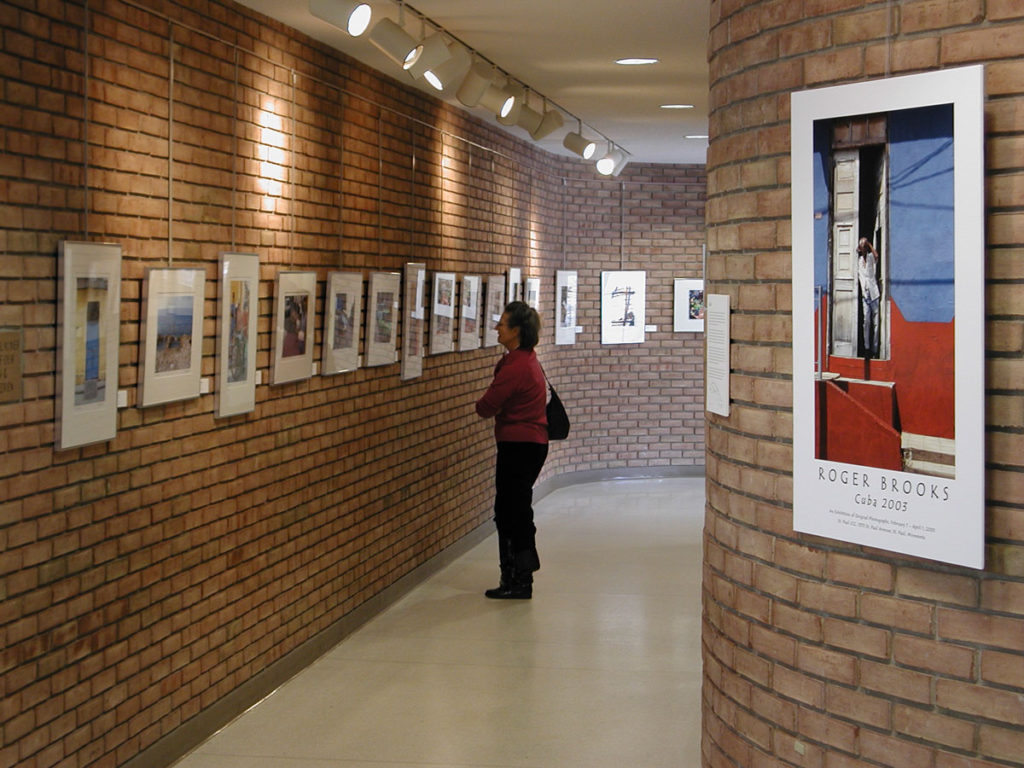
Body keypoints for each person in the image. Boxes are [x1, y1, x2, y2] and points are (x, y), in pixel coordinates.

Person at [475, 301, 548, 599]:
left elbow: (486, 407)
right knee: (512, 510)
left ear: (516, 331)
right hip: (528, 444)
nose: (496, 327)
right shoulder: (525, 359)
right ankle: (517, 577)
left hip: (519, 446)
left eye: (502, 324)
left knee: (511, 512)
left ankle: (518, 580)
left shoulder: (516, 366)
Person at [857, 236, 881, 358]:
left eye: (865, 247)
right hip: (865, 295)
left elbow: (877, 256)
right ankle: (867, 348)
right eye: (862, 247)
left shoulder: (871, 257)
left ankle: (875, 349)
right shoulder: (859, 261)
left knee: (876, 323)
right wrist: (860, 247)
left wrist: (870, 244)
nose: (864, 249)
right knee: (866, 322)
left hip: (874, 293)